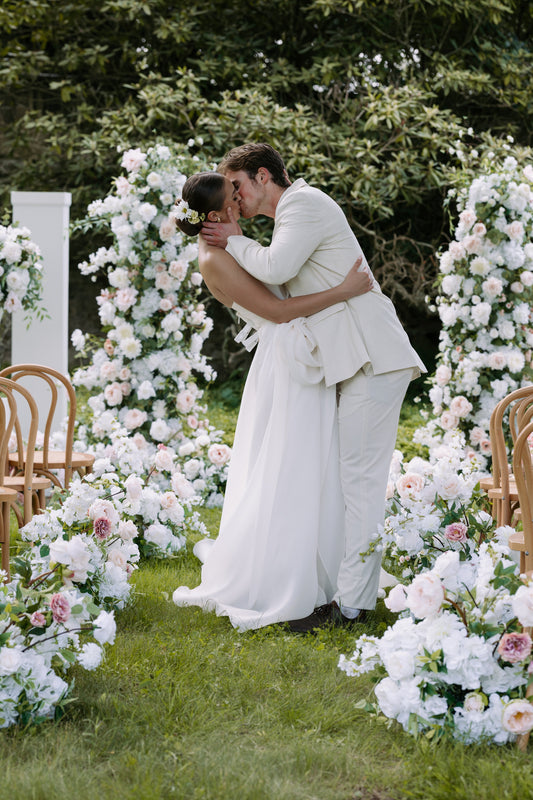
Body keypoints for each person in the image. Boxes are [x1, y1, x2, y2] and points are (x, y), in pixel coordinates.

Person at [202, 143, 427, 630]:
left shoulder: (305, 204)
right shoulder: (288, 220)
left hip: (375, 358)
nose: (234, 199)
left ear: (264, 176)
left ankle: (351, 607)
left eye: (237, 186)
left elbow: (277, 271)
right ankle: (344, 594)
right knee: (348, 482)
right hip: (353, 360)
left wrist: (234, 238)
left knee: (360, 483)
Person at [171, 171, 373, 631]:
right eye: (233, 194)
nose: (241, 198)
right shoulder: (214, 259)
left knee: (311, 464)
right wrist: (343, 291)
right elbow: (278, 311)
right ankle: (284, 576)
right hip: (287, 362)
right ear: (220, 212)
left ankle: (325, 572)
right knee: (293, 467)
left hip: (292, 355)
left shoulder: (229, 245)